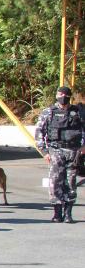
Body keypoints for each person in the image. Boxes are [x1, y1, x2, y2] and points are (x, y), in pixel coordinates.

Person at [34, 86, 84, 223]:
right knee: (55, 181)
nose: (62, 96)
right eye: (60, 94)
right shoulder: (49, 112)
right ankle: (57, 213)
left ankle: (68, 213)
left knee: (71, 182)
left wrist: (83, 146)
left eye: (64, 94)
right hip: (55, 150)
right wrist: (44, 151)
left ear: (69, 96)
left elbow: (83, 129)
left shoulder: (77, 112)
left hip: (73, 151)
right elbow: (39, 133)